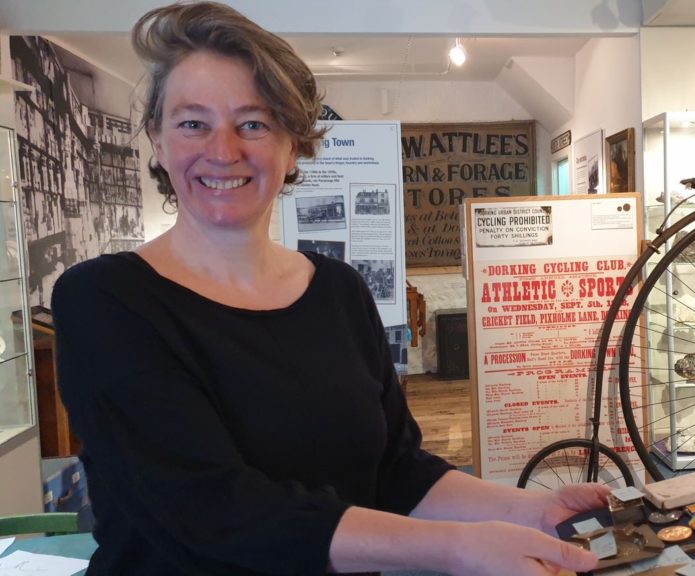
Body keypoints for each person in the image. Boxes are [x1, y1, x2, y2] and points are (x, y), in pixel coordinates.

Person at [51, 3, 608, 575]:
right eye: (193, 122)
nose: (223, 150)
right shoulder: (105, 301)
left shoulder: (338, 290)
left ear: (293, 146)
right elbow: (211, 509)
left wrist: (530, 511)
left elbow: (395, 471)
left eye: (253, 123)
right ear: (158, 141)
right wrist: (457, 547)